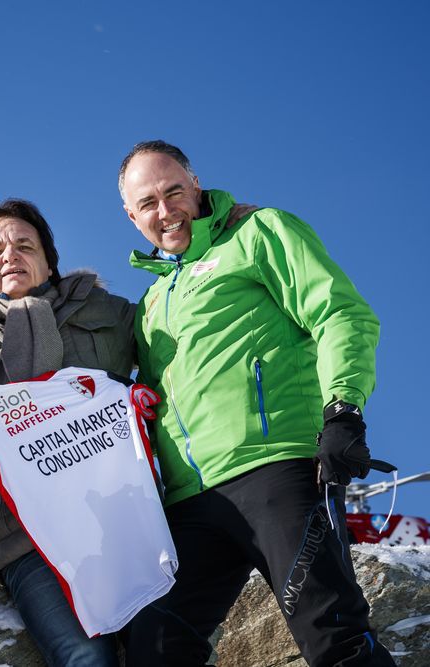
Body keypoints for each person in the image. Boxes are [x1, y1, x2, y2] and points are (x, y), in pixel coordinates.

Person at [118, 140, 395, 666]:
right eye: (148, 203)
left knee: (330, 633)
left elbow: (339, 314)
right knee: (154, 643)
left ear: (195, 185)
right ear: (131, 217)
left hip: (276, 473)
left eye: (173, 192)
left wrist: (343, 409)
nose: (165, 210)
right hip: (192, 502)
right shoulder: (152, 303)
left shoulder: (259, 232)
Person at [0, 199, 136, 666]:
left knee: (168, 647)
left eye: (25, 245)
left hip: (126, 518)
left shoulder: (108, 312)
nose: (10, 255)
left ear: (49, 260)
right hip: (25, 539)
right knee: (85, 658)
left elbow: (180, 336)